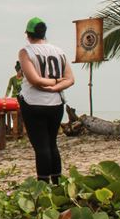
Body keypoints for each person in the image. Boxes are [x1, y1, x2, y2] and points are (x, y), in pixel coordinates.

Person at [18, 17, 74, 184]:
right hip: (56, 103)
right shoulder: (59, 51)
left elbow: (34, 80)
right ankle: (57, 183)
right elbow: (70, 79)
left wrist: (48, 84)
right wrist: (57, 84)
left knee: (41, 146)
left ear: (28, 34)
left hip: (33, 102)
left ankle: (43, 185)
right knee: (52, 143)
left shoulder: (26, 52)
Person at [6, 61, 24, 133]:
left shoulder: (24, 79)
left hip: (22, 98)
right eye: (20, 70)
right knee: (14, 115)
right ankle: (14, 130)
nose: (21, 72)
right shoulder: (12, 79)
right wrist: (6, 96)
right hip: (14, 98)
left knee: (22, 115)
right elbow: (9, 88)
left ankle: (22, 131)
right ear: (17, 70)